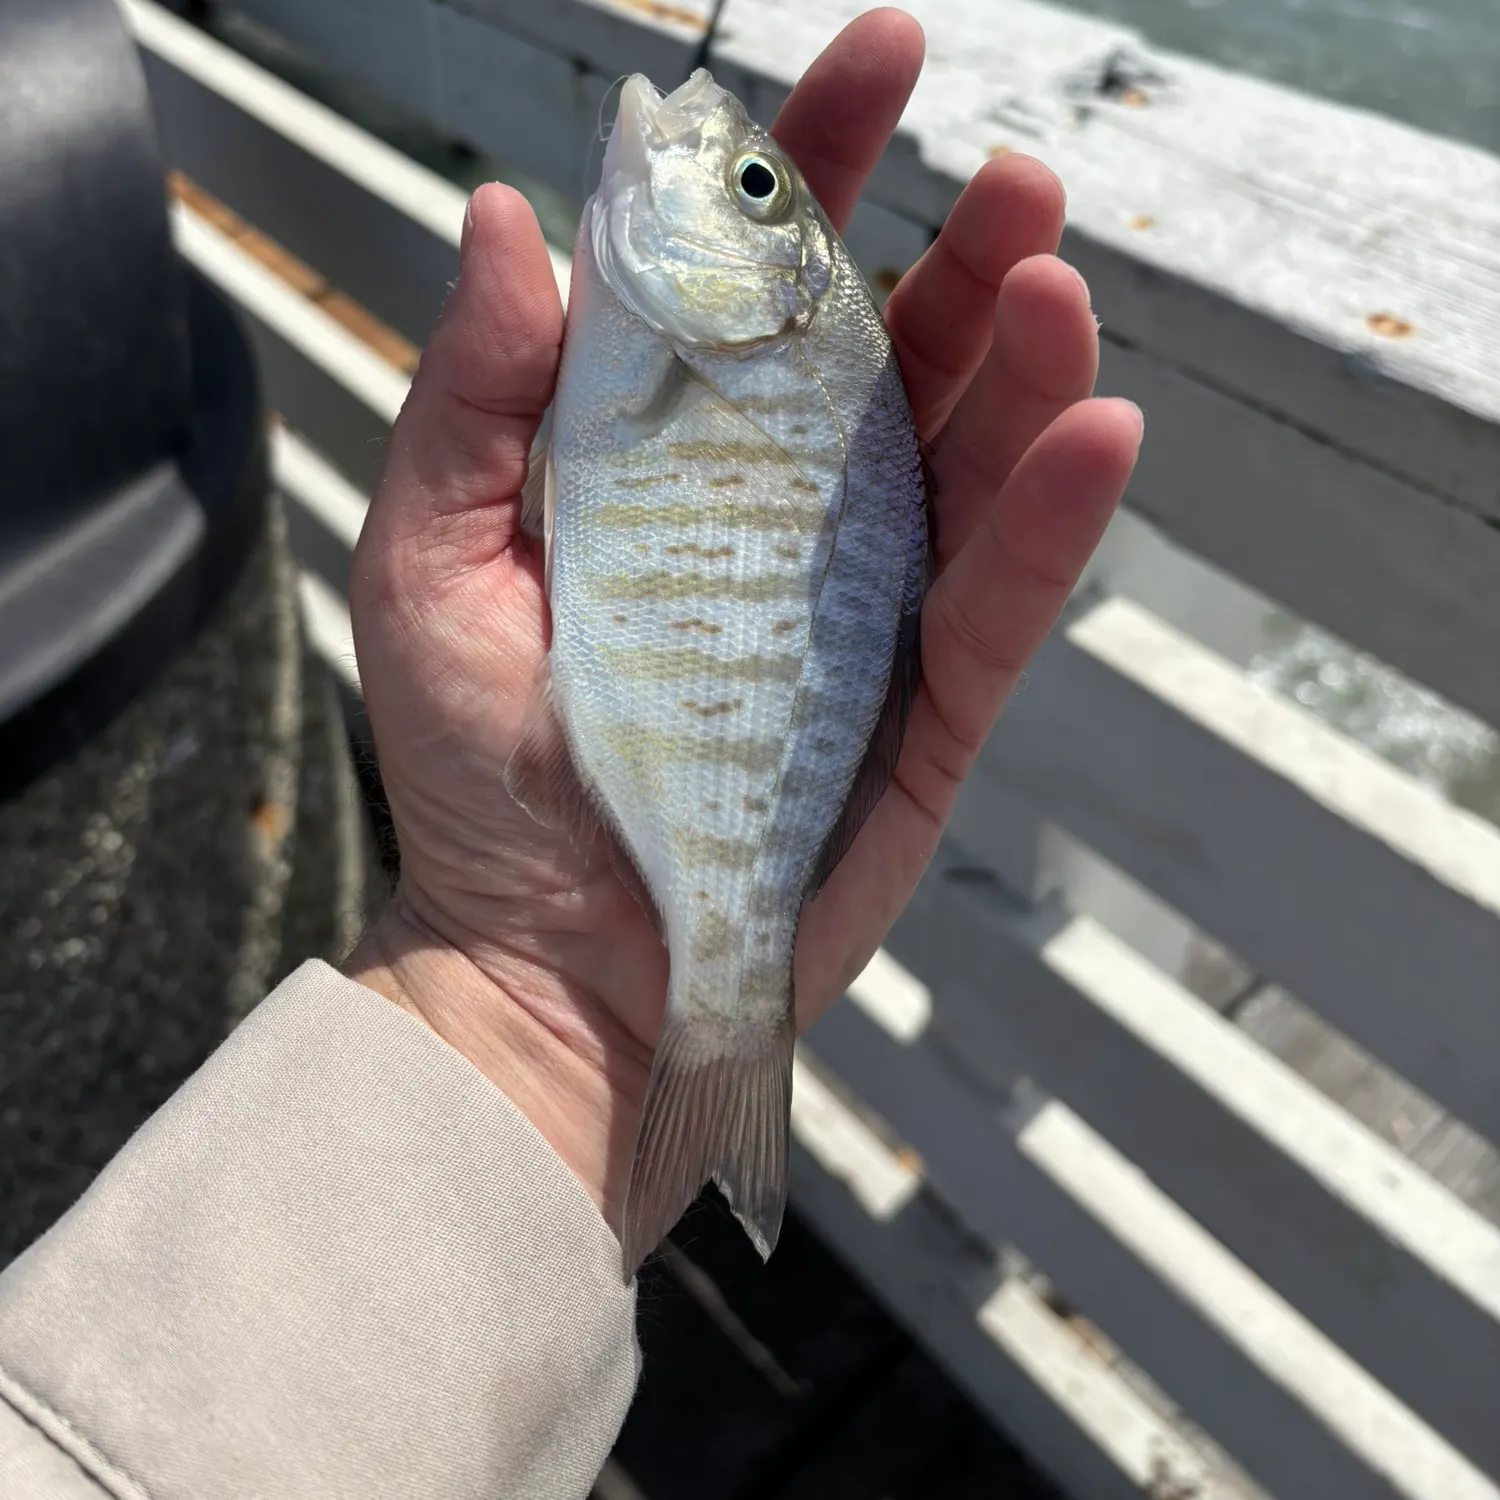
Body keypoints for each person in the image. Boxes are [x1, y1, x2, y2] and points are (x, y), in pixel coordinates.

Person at [0, 10, 1141, 1498]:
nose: (709, 153)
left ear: (776, 296)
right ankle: (714, 1051)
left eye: (751, 196)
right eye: (758, 185)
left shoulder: (679, 325)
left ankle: (719, 1039)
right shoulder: (682, 324)